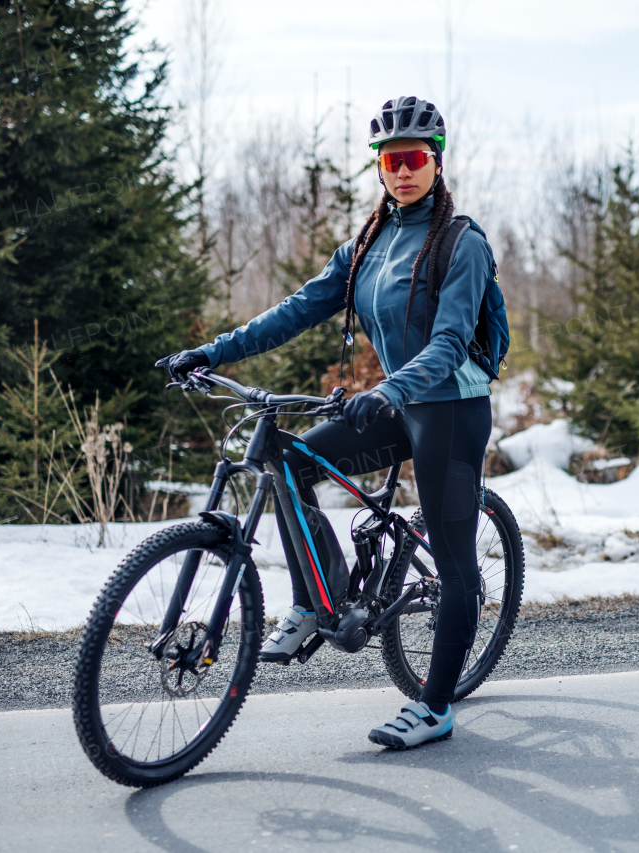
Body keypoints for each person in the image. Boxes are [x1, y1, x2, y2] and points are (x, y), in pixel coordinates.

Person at [160, 96, 500, 750]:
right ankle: (325, 600)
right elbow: (292, 312)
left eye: (414, 159)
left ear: (436, 162)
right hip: (398, 401)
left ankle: (434, 708)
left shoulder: (463, 243)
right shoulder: (368, 243)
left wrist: (389, 388)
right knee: (289, 463)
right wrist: (213, 350)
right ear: (378, 166)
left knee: (455, 566)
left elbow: (453, 341)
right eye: (390, 159)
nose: (402, 170)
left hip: (451, 408)